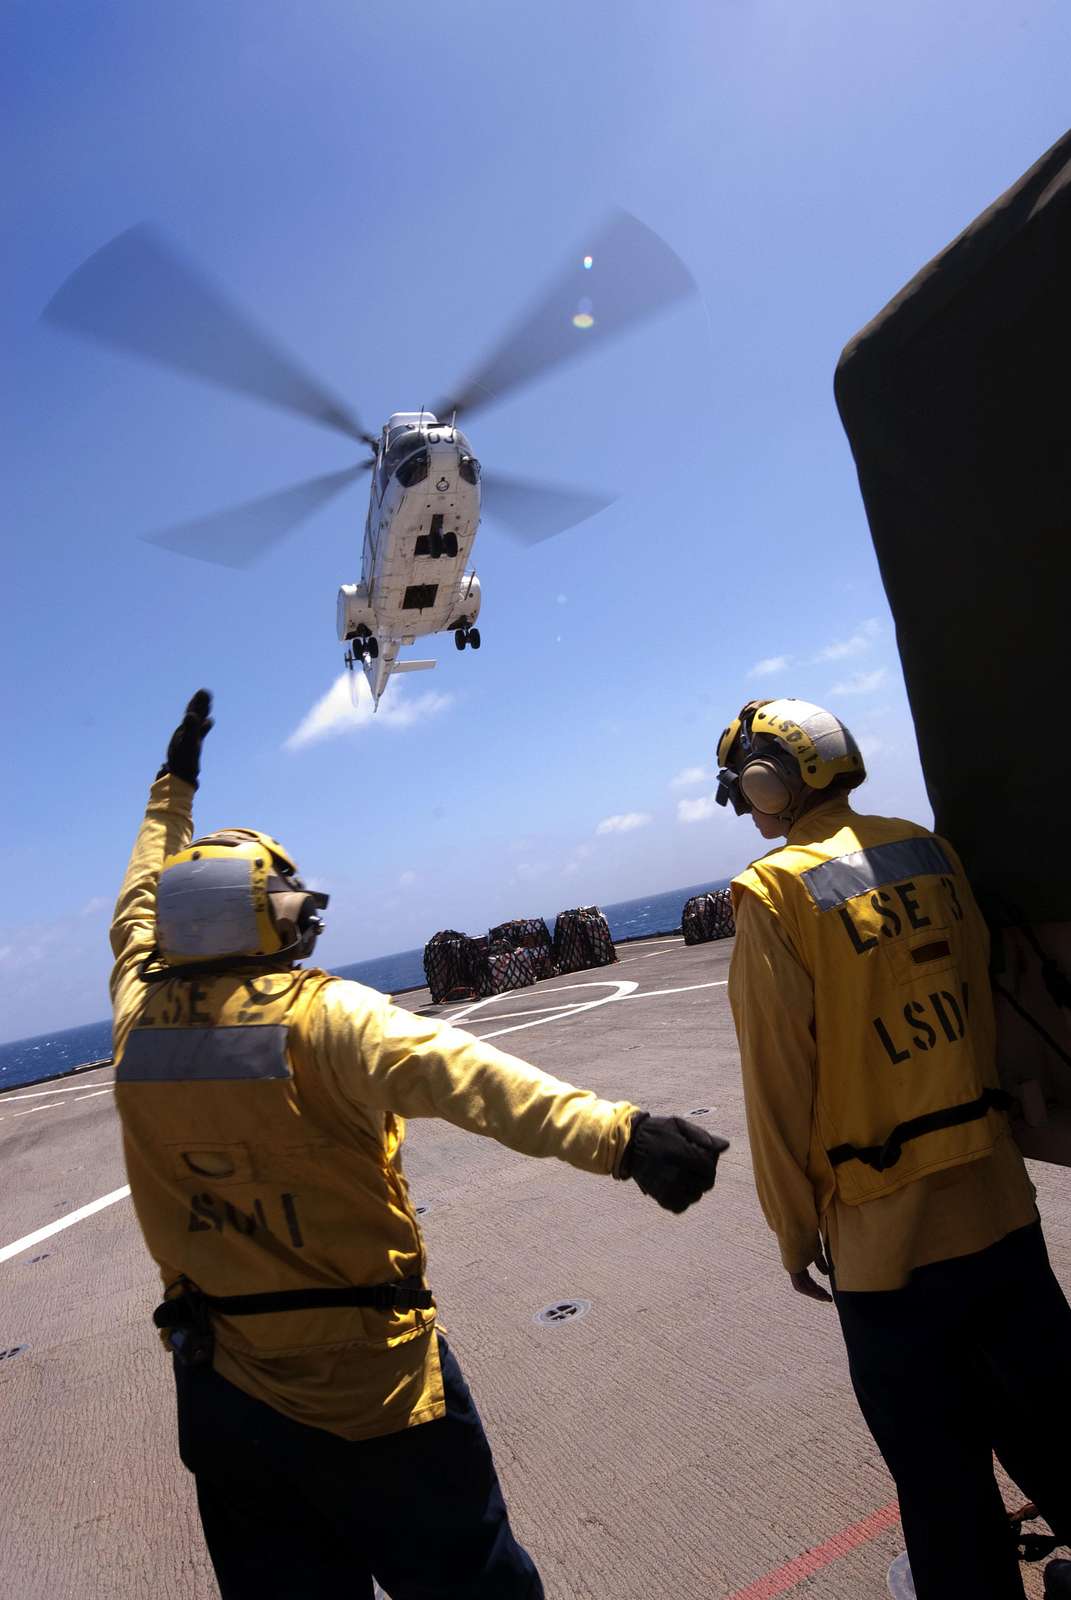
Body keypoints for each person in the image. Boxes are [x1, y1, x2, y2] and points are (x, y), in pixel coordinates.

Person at [109, 690, 729, 1600]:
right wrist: (625, 1139)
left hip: (227, 1398)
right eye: (285, 903)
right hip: (377, 1393)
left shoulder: (135, 1019)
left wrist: (172, 791)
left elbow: (135, 903)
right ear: (260, 917)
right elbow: (478, 1080)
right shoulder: (327, 1018)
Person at [715, 696, 1071, 1600]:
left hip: (886, 1244)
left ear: (768, 785)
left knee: (939, 1477)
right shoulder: (927, 849)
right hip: (995, 1201)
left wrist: (793, 1231)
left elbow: (777, 1088)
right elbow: (984, 1009)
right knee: (1055, 1421)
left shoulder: (773, 894)